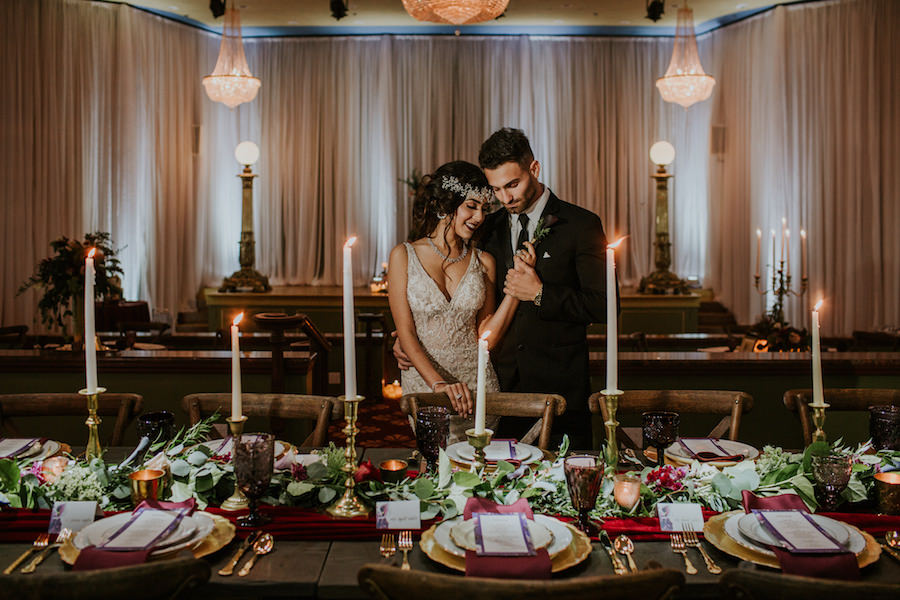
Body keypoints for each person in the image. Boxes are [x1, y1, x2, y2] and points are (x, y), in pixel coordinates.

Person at [396, 129, 616, 449]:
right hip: (496, 392)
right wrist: (404, 339)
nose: (505, 198)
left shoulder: (581, 225)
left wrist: (540, 293)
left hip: (559, 390)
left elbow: (605, 305)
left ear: (534, 169)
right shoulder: (486, 228)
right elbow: (459, 298)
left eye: (513, 185)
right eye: (496, 189)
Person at [387, 160, 537, 442]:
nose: (479, 216)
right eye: (471, 205)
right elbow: (406, 334)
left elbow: (486, 337)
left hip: (478, 386)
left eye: (484, 208)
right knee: (435, 470)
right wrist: (439, 385)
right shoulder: (403, 256)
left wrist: (515, 291)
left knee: (479, 471)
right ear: (446, 204)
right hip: (425, 384)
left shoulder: (484, 261)